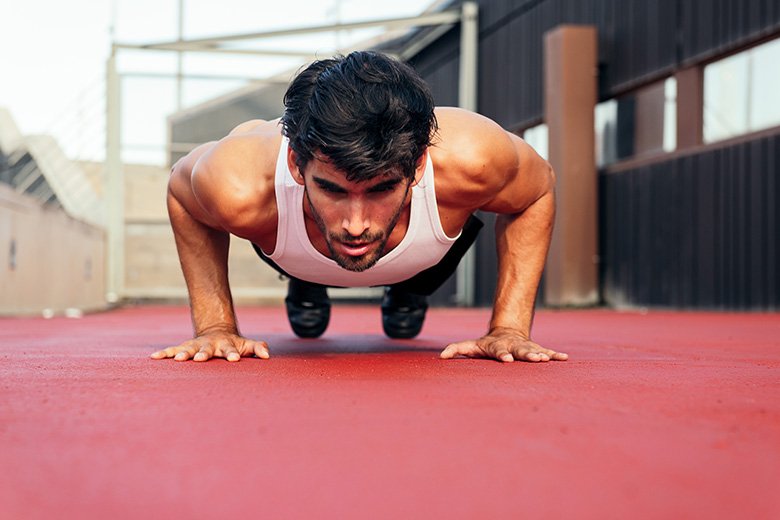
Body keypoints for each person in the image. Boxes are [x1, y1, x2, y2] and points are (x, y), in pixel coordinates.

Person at [151, 51, 568, 364]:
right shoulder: (237, 181)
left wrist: (509, 328)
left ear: (419, 164)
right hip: (295, 245)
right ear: (296, 164)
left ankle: (408, 290)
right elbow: (179, 193)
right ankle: (307, 279)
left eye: (381, 188)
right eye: (332, 190)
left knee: (405, 312)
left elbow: (538, 189)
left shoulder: (473, 158)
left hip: (423, 257)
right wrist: (215, 326)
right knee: (310, 280)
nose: (355, 223)